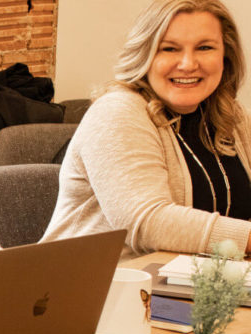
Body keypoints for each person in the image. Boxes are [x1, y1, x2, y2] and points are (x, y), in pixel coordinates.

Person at [41, 0, 251, 257]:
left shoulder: (231, 115)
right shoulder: (117, 112)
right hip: (100, 286)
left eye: (205, 47)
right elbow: (147, 221)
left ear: (225, 56)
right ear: (146, 55)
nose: (188, 64)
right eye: (170, 49)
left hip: (201, 284)